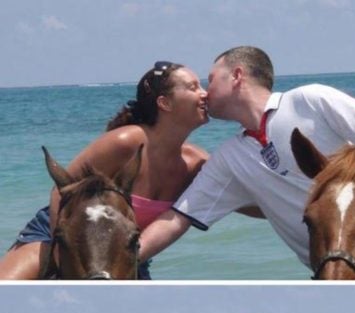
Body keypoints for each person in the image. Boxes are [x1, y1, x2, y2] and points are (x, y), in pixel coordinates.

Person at [137, 46, 355, 279]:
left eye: (211, 79)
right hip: (332, 266)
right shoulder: (228, 159)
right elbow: (176, 219)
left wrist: (354, 168)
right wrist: (119, 264)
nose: (206, 93)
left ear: (237, 75)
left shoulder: (310, 99)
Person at [0, 61, 209, 280]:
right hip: (57, 236)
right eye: (193, 87)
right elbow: (60, 191)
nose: (205, 94)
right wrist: (61, 249)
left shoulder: (196, 163)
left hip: (122, 254)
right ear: (164, 103)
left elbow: (239, 197)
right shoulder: (125, 141)